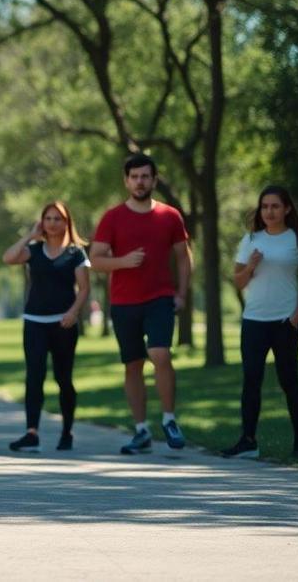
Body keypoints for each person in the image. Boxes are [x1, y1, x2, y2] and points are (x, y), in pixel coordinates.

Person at [90, 154, 192, 455]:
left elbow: (184, 257)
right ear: (126, 181)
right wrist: (122, 261)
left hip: (160, 297)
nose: (140, 181)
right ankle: (142, 430)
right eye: (134, 177)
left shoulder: (170, 216)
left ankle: (170, 420)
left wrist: (182, 293)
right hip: (124, 302)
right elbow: (95, 259)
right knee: (132, 365)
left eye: (145, 176)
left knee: (160, 353)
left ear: (154, 180)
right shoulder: (112, 217)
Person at [222, 186, 298, 461]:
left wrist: (296, 316)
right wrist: (250, 266)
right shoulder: (251, 239)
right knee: (251, 381)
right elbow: (238, 282)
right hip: (254, 321)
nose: (269, 211)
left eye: (275, 206)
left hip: (285, 322)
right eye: (265, 206)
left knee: (290, 381)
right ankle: (248, 441)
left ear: (287, 209)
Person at [1, 201, 91, 453]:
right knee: (34, 377)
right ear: (42, 222)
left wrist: (74, 313)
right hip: (35, 323)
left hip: (63, 324)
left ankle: (67, 433)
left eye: (57, 219)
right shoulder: (34, 250)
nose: (52, 223)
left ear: (66, 223)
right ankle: (32, 433)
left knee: (63, 378)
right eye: (48, 219)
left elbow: (84, 288)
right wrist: (30, 235)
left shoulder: (76, 253)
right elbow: (8, 258)